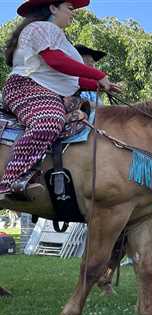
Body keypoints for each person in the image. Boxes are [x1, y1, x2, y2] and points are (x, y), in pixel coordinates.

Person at [1, 0, 120, 195]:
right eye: (70, 8)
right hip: (26, 87)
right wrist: (98, 75)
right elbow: (55, 60)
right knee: (49, 121)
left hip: (45, 91)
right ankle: (10, 180)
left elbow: (68, 79)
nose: (73, 13)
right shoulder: (40, 28)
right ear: (53, 8)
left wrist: (100, 85)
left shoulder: (55, 34)